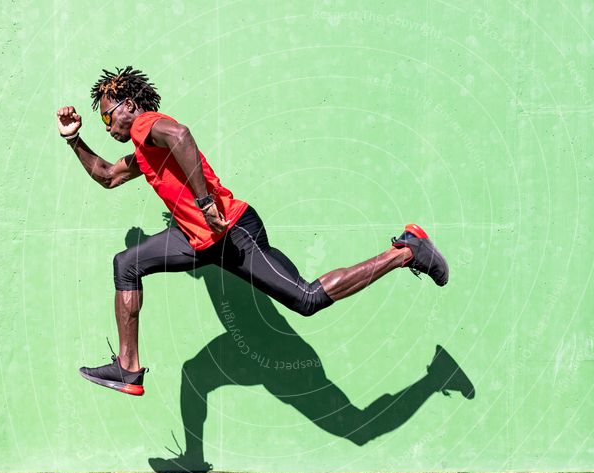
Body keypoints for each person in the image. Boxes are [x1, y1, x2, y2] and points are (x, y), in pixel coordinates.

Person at [57, 66, 449, 397]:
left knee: (307, 299)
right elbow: (107, 176)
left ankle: (407, 251)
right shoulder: (144, 150)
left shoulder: (147, 125)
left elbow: (180, 135)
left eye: (107, 116)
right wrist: (74, 138)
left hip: (231, 232)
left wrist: (206, 202)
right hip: (198, 239)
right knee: (126, 264)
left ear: (129, 107)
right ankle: (128, 369)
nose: (106, 125)